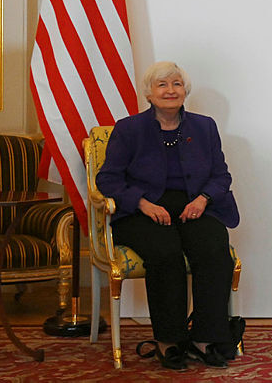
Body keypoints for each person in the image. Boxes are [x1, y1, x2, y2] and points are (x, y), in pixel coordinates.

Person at [96, 61, 240, 370]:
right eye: (162, 85)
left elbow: (221, 176)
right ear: (148, 93)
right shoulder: (129, 129)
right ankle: (169, 341)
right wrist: (143, 203)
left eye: (176, 84)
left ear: (185, 91)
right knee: (165, 253)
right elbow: (107, 180)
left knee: (214, 251)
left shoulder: (205, 126)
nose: (170, 90)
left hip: (193, 205)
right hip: (142, 210)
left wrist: (203, 199)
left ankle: (205, 338)